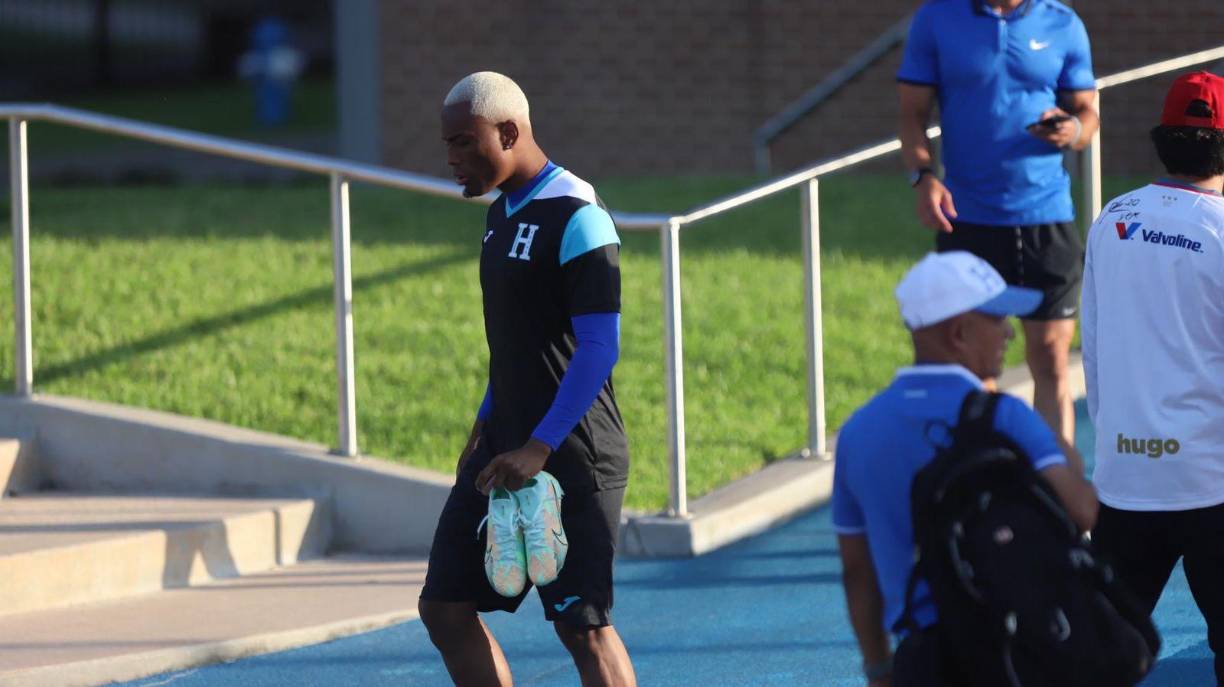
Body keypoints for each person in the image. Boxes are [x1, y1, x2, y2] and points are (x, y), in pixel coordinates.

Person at [418, 72, 636, 686]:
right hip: (503, 448)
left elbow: (599, 347)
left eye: (464, 142)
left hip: (570, 451)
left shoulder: (578, 213)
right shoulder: (500, 215)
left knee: (582, 626)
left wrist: (540, 445)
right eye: (448, 145)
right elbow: (515, 344)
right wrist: (484, 424)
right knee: (444, 606)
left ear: (509, 132)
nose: (452, 159)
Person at [833, 251, 1098, 686]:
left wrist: (879, 668)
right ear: (959, 333)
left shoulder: (857, 432)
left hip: (921, 661)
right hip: (1015, 651)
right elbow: (1083, 510)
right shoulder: (1005, 417)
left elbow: (857, 570)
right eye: (997, 318)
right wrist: (1064, 452)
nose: (1009, 331)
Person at [898, 0, 1100, 448]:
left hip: (1047, 216)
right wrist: (923, 177)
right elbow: (911, 114)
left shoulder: (1063, 23)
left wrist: (1071, 130)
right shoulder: (936, 18)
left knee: (1051, 359)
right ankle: (982, 476)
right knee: (970, 365)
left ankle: (1052, 482)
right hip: (968, 219)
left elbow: (1088, 115)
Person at [1082, 70, 1224, 684]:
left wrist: (1115, 437)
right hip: (1211, 480)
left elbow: (1092, 348)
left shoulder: (1112, 218)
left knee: (1098, 653)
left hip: (1125, 474)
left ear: (1162, 139)